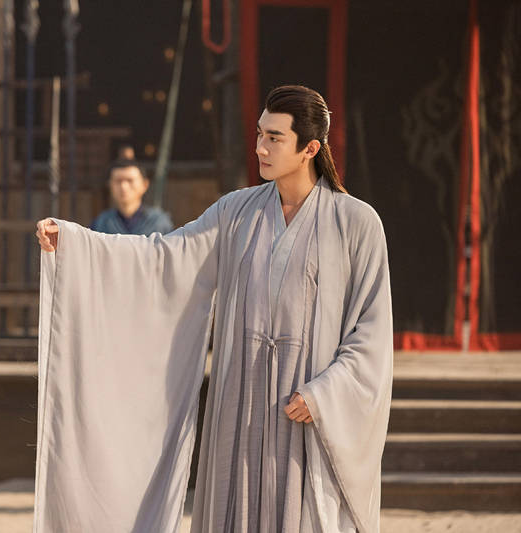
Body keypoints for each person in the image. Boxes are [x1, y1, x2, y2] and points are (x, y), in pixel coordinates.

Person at [33, 85, 393, 533]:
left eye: (275, 138)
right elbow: (165, 256)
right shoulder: (235, 212)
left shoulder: (356, 223)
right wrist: (76, 243)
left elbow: (372, 331)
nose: (260, 147)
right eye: (259, 134)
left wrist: (325, 394)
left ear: (310, 149)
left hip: (305, 405)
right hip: (240, 399)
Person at [90, 159, 174, 236]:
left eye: (130, 180)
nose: (123, 186)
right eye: (118, 181)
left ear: (145, 185)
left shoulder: (159, 222)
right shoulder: (101, 223)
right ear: (109, 185)